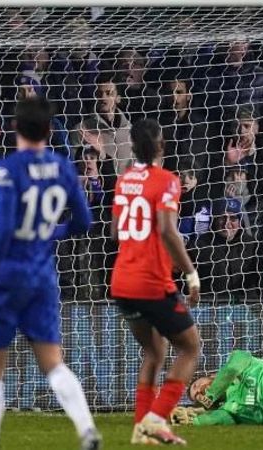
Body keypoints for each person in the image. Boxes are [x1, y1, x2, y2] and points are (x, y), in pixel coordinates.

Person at [0, 97, 100, 450]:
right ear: (49, 130)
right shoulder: (63, 167)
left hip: (10, 275)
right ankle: (87, 428)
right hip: (43, 277)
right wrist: (49, 232)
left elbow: (4, 228)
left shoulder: (6, 168)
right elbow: (84, 222)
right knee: (53, 361)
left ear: (14, 129)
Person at [110, 119, 202, 446]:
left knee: (154, 351)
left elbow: (116, 232)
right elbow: (167, 230)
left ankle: (140, 428)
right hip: (150, 282)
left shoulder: (123, 181)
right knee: (190, 347)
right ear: (161, 145)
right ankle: (156, 417)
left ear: (134, 147)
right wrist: (190, 273)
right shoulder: (168, 181)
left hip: (121, 281)